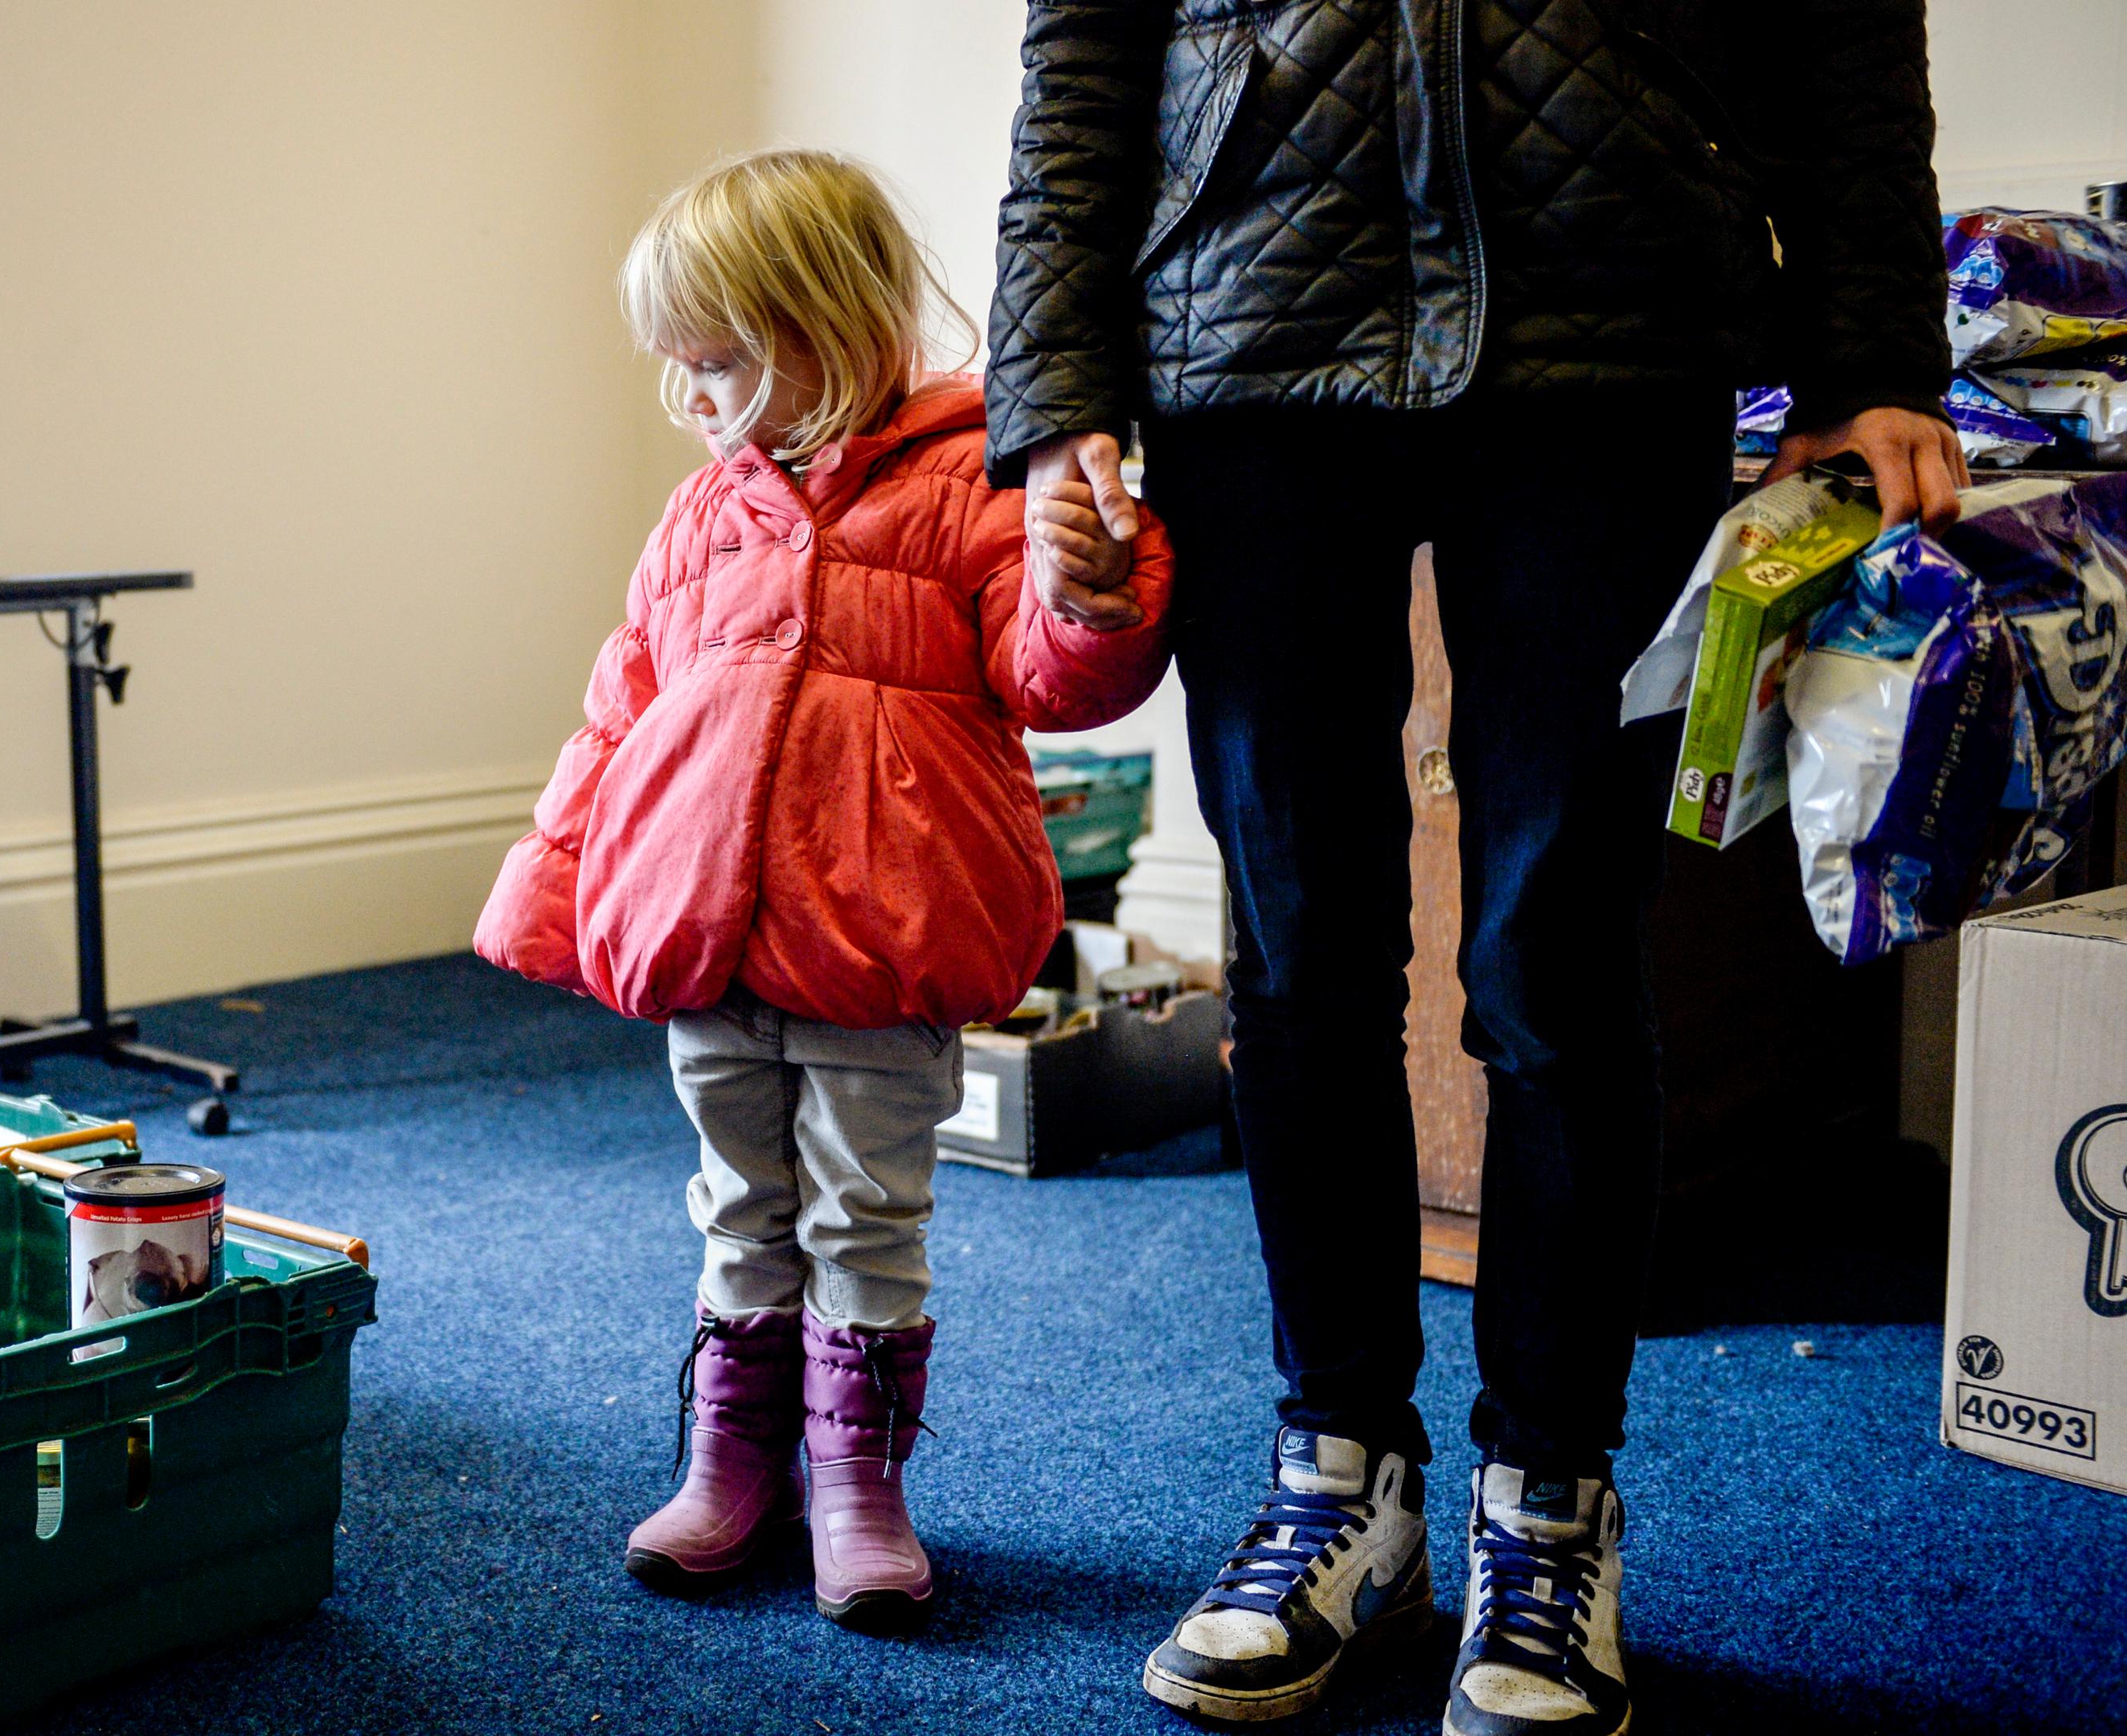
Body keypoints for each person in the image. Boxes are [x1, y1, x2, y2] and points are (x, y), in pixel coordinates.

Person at [986, 2, 1958, 1730]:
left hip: (1611, 311)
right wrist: (1060, 385)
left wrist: (1873, 346)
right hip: (1250, 315)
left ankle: (1551, 1503)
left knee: (1560, 956)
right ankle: (1340, 1474)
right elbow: (1087, 42)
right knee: (1294, 950)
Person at [476, 149, 1175, 1634]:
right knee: (741, 1204)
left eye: (716, 362)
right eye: (673, 366)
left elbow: (1048, 678)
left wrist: (1092, 589)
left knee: (863, 1216)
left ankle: (857, 1476)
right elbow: (623, 711)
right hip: (706, 937)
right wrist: (554, 882)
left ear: (830, 326)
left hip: (882, 935)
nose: (686, 398)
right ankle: (736, 1455)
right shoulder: (699, 517)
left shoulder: (977, 483)